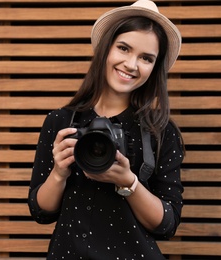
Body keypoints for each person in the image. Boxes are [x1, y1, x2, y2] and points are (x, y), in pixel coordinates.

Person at [28, 0, 185, 259]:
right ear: (106, 48)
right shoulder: (60, 122)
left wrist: (128, 182)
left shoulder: (160, 130)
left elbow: (167, 224)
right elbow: (40, 211)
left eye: (146, 58)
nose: (131, 64)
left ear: (154, 68)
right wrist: (58, 172)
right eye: (124, 48)